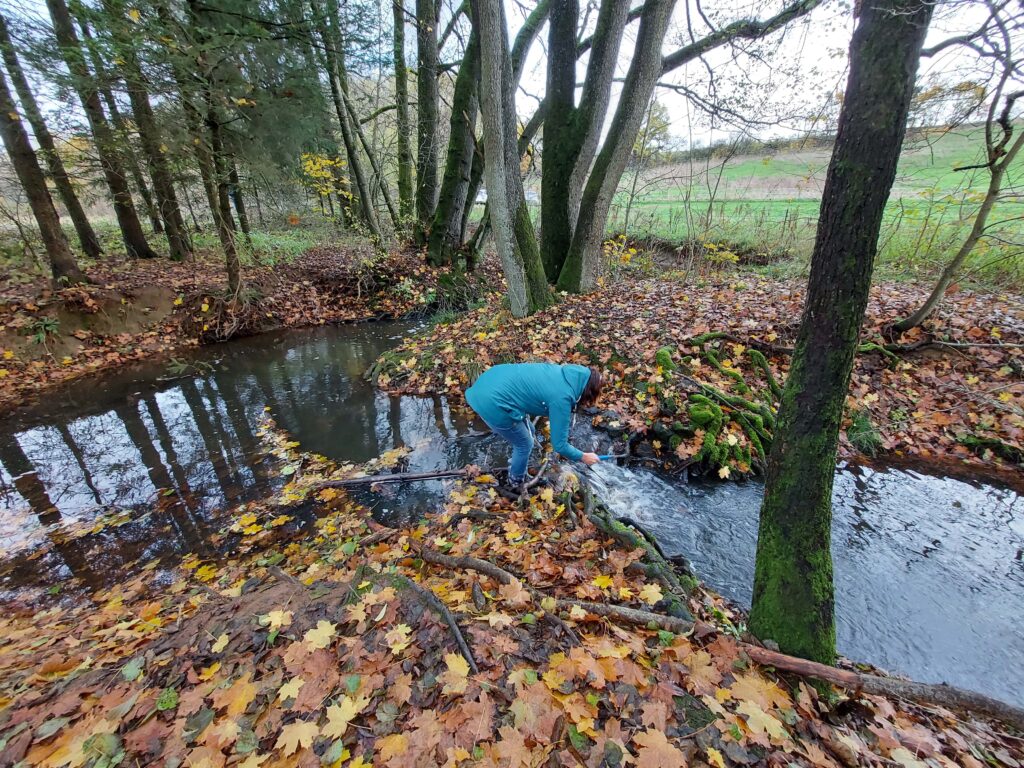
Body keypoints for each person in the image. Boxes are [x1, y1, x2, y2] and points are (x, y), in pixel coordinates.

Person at [465, 362, 604, 487]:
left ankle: (515, 464)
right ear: (588, 392)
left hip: (491, 378)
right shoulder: (562, 398)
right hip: (490, 402)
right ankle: (516, 481)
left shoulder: (566, 374)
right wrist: (583, 456)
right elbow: (560, 446)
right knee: (524, 444)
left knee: (530, 429)